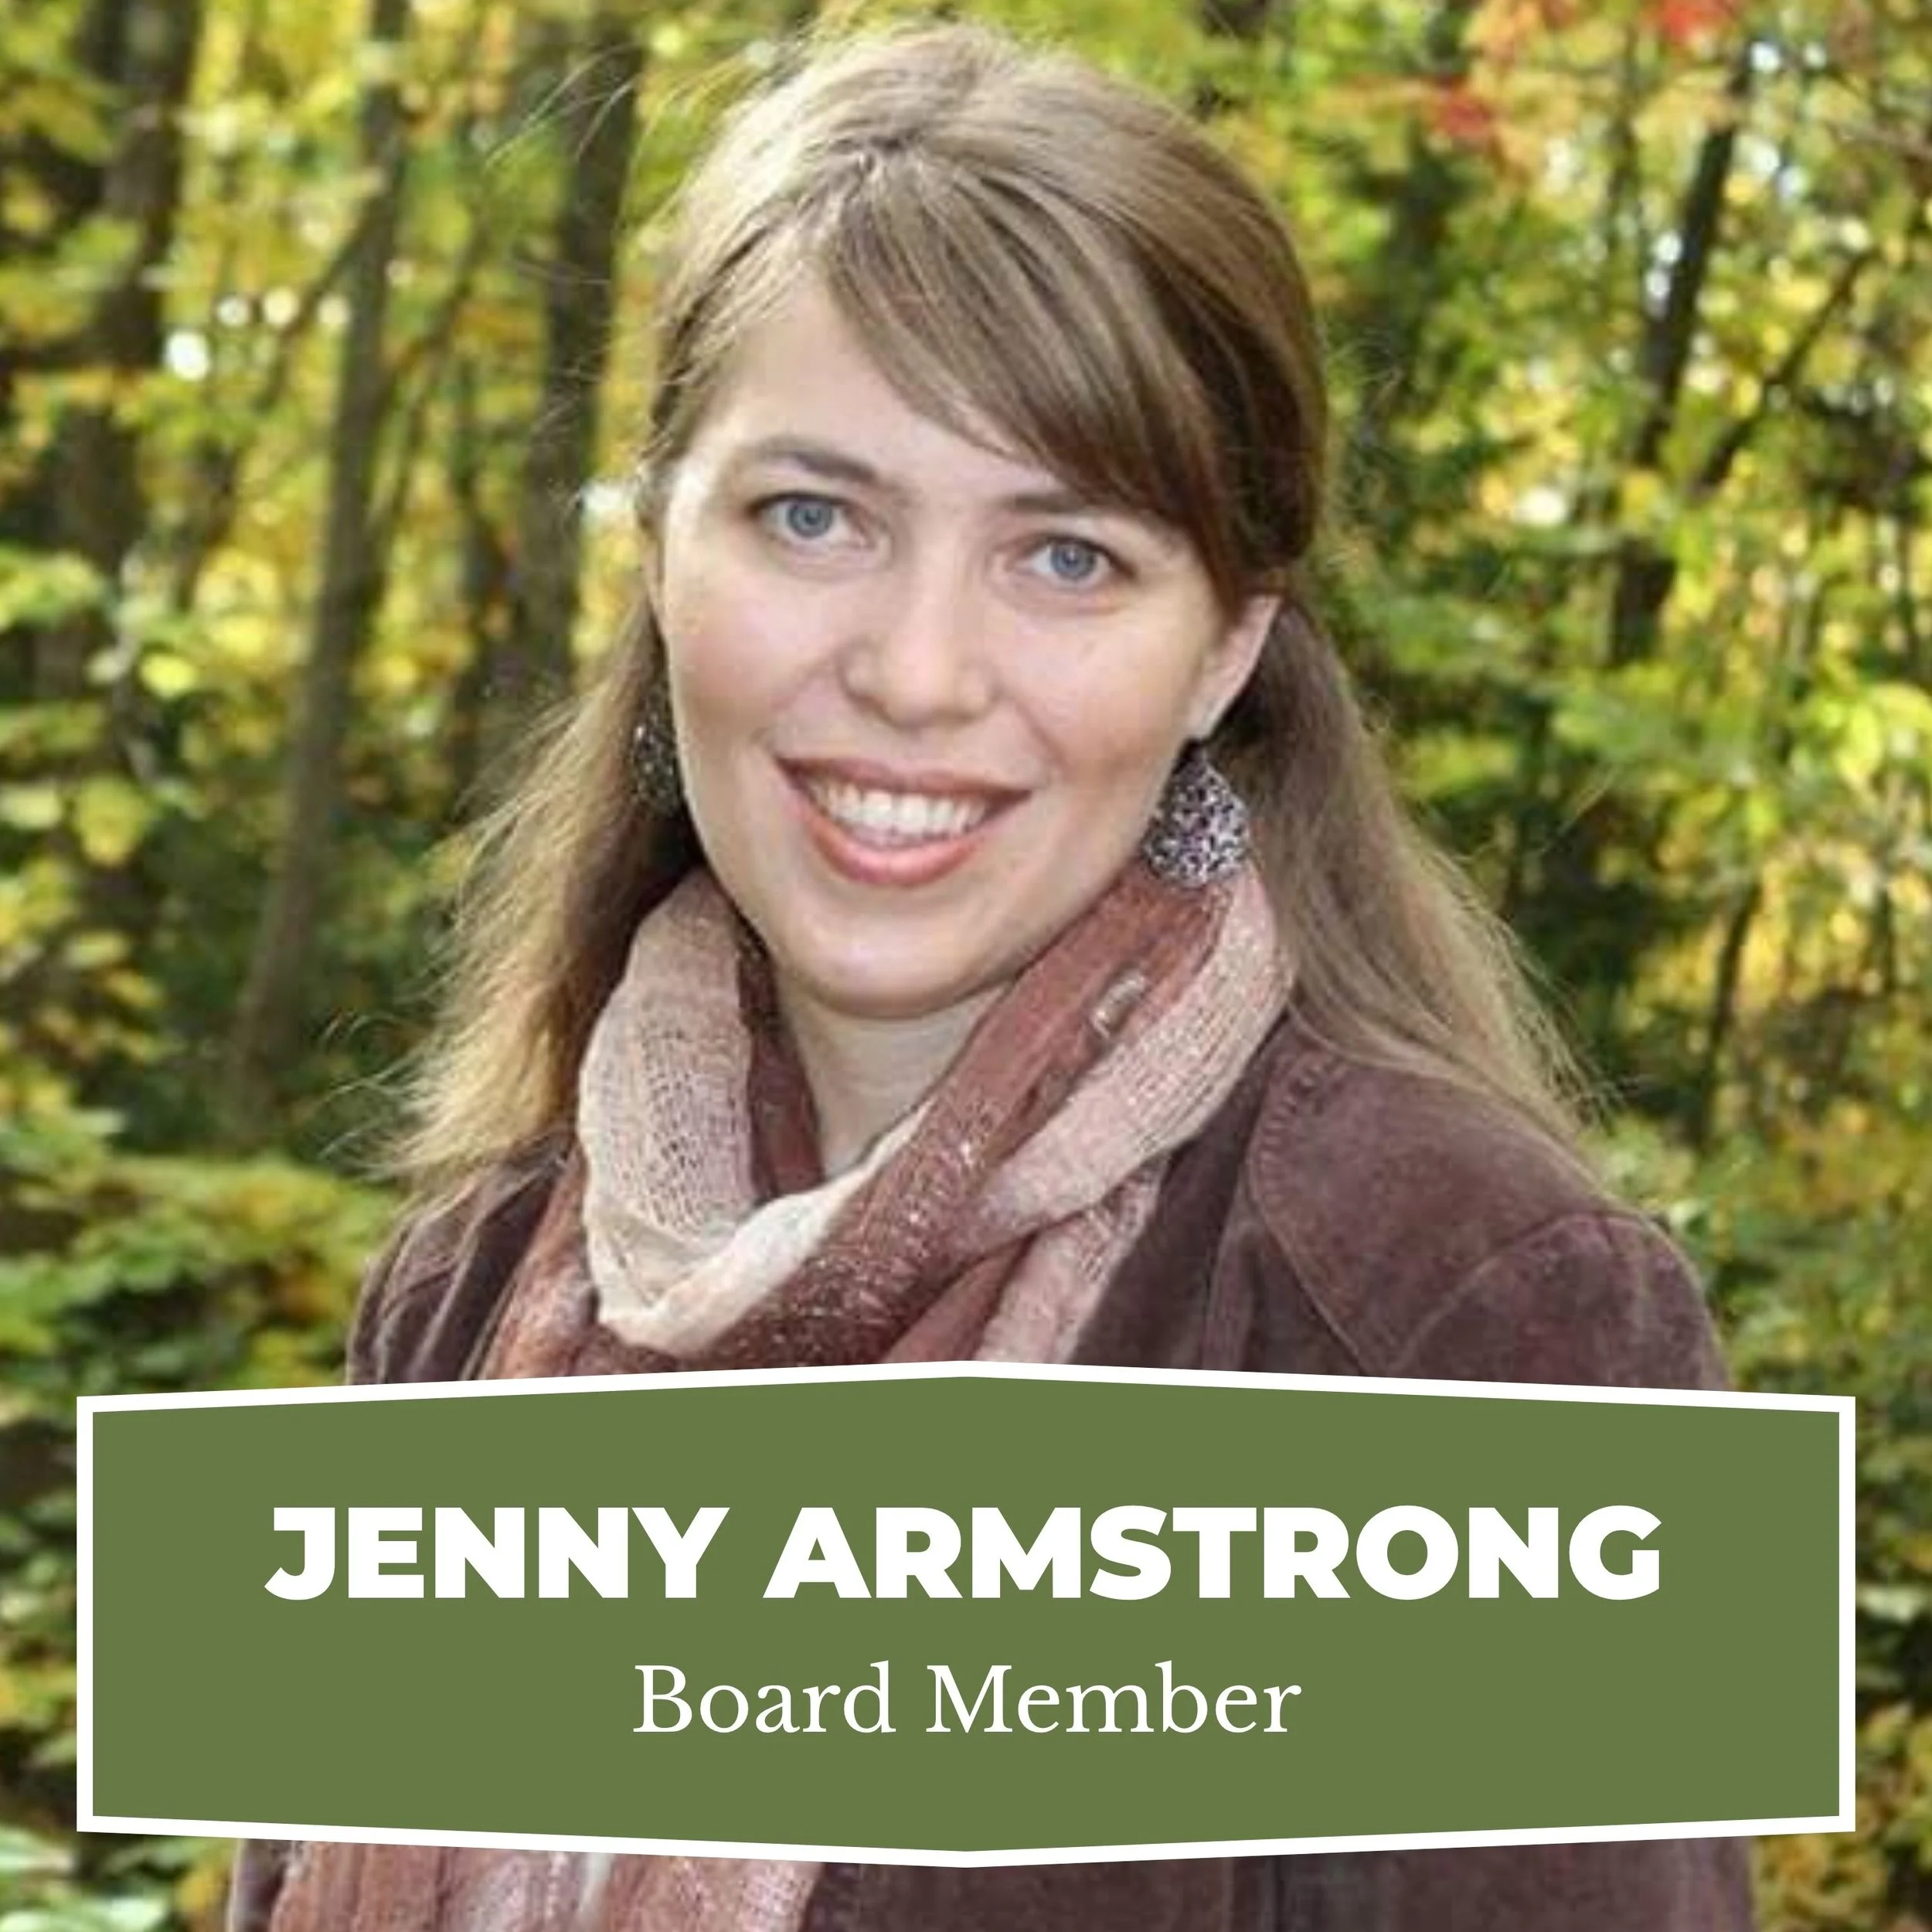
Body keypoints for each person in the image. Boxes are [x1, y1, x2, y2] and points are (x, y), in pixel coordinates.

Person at [228, 20, 1756, 1930]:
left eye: (1065, 555)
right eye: (812, 514)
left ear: (1221, 653)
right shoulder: (457, 1299)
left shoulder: (1475, 1325)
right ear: (657, 554)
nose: (919, 669)